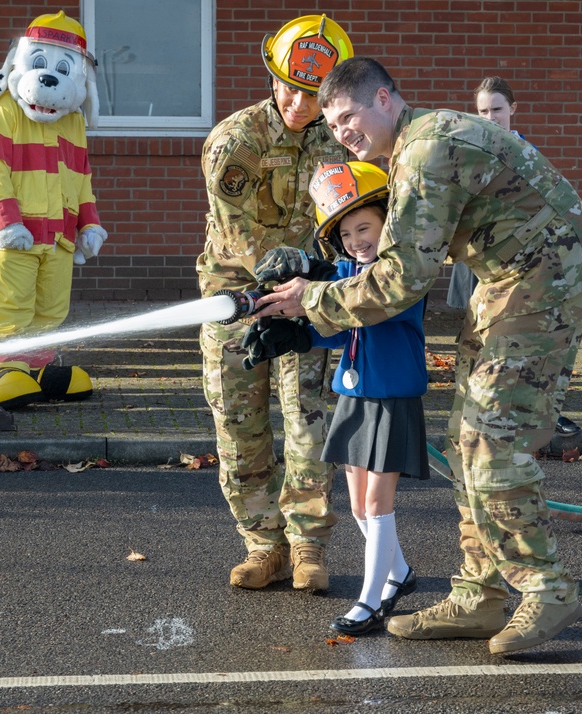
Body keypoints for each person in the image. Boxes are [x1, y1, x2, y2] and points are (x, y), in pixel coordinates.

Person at [246, 57, 582, 655]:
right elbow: (388, 257)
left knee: (494, 434)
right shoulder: (408, 151)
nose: (342, 132)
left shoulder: (423, 152)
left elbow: (400, 278)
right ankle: (480, 595)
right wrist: (319, 281)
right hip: (507, 282)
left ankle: (545, 588)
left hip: (547, 280)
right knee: (466, 433)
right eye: (333, 125)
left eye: (349, 116)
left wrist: (310, 300)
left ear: (386, 100)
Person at [195, 15, 354, 594]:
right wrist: (282, 287)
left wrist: (316, 291)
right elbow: (240, 240)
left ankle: (308, 546)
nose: (298, 102)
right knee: (241, 429)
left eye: (313, 94)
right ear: (272, 75)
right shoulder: (235, 142)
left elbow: (349, 224)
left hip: (304, 307)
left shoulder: (340, 141)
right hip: (235, 304)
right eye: (289, 86)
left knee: (309, 425)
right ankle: (264, 546)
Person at [247, 161, 427, 634]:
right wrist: (298, 337)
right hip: (353, 396)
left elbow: (370, 314)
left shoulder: (401, 273)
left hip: (390, 399)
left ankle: (371, 602)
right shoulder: (350, 271)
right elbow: (344, 329)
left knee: (378, 504)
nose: (355, 240)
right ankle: (400, 575)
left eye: (364, 226)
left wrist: (321, 286)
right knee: (357, 504)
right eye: (345, 233)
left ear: (388, 222)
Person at [0, 12, 106, 409]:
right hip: (16, 234)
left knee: (50, 308)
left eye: (64, 68)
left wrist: (90, 224)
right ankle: (1, 368)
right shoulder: (6, 110)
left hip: (61, 236)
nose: (50, 78)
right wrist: (6, 223)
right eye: (41, 64)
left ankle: (39, 367)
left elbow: (82, 177)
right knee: (12, 304)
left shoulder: (74, 123)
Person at [452, 76, 582, 439]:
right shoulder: (466, 154)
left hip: (525, 267)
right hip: (482, 264)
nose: (490, 117)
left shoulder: (529, 156)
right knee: (479, 341)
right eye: (482, 111)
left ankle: (542, 414)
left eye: (496, 109)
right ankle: (479, 414)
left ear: (513, 109)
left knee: (532, 342)